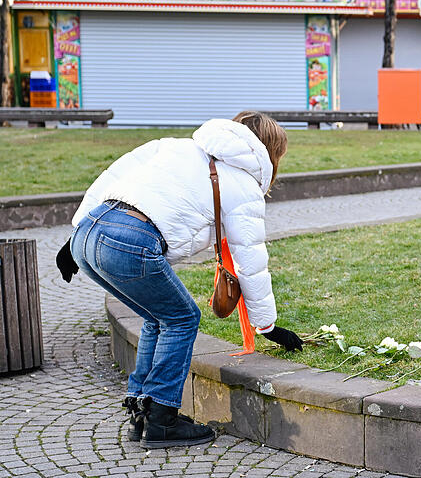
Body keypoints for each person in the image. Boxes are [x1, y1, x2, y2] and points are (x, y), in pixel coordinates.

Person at [55, 111, 303, 448]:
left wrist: (75, 234)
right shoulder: (243, 184)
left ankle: (142, 411)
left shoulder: (173, 146)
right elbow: (251, 263)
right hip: (127, 240)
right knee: (183, 318)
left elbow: (112, 175)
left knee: (157, 317)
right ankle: (162, 420)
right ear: (271, 151)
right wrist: (268, 326)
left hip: (91, 230)